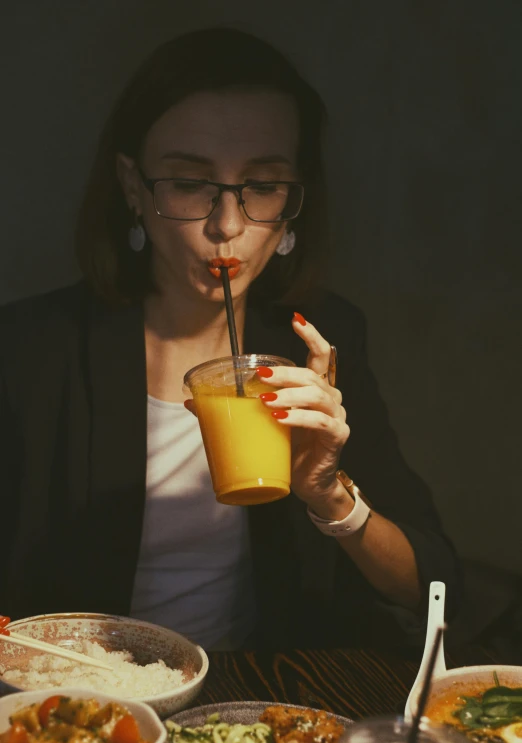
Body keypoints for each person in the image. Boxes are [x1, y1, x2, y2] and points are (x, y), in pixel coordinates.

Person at [0, 27, 460, 650]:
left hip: (254, 704)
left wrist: (329, 498)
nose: (227, 225)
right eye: (190, 184)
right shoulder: (31, 350)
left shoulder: (316, 343)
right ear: (134, 188)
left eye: (263, 186)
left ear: (295, 201)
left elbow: (433, 587)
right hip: (82, 711)